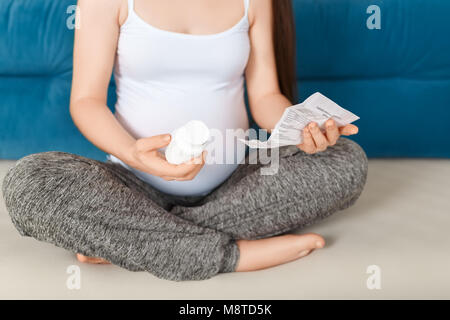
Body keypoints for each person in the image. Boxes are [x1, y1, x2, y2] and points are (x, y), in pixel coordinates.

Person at [2, 0, 368, 281]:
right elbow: (86, 102)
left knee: (346, 161)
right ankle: (231, 255)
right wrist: (134, 153)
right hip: (134, 185)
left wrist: (301, 128)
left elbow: (265, 97)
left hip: (237, 182)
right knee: (29, 182)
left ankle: (135, 241)